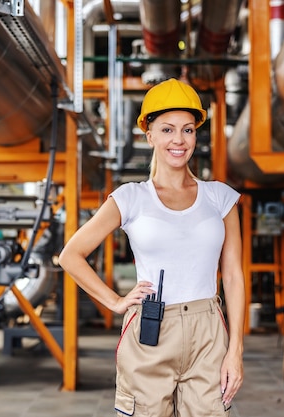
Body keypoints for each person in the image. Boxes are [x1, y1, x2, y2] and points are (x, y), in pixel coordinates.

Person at [59, 78, 245, 416]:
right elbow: (70, 255)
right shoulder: (131, 198)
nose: (179, 140)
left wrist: (236, 350)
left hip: (208, 331)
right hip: (150, 330)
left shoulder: (220, 198)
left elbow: (233, 276)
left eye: (188, 130)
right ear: (150, 136)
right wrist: (114, 301)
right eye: (168, 129)